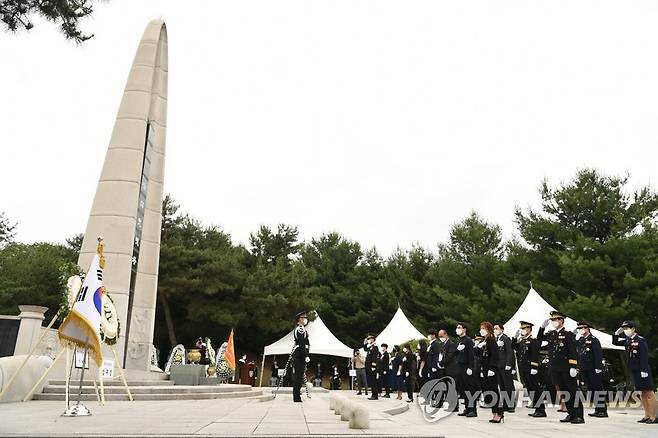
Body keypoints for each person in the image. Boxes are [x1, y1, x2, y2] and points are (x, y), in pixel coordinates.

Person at [538, 310, 584, 424]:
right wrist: (541, 328)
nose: (553, 322)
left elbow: (572, 351)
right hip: (555, 368)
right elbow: (539, 340)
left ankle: (579, 415)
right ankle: (571, 413)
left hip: (566, 368)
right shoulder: (551, 334)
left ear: (561, 321)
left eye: (555, 320)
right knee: (564, 392)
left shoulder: (568, 335)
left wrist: (573, 366)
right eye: (552, 320)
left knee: (572, 391)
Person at [613, 320, 657, 424]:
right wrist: (615, 334)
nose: (625, 330)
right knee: (642, 393)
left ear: (633, 329)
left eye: (627, 328)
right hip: (635, 370)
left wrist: (644, 370)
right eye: (624, 329)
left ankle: (655, 416)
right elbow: (615, 342)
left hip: (643, 370)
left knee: (649, 392)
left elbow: (644, 356)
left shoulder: (640, 340)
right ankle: (647, 415)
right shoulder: (628, 340)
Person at [512, 321, 546, 417]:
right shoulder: (522, 341)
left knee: (535, 388)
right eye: (522, 329)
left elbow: (535, 355)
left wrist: (534, 366)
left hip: (531, 368)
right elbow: (514, 347)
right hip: (524, 368)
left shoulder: (533, 341)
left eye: (524, 328)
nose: (522, 330)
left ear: (529, 329)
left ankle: (541, 409)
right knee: (530, 388)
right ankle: (536, 407)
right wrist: (514, 338)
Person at [575, 321, 607, 418]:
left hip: (593, 368)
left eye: (582, 328)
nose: (581, 330)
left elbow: (598, 354)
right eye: (579, 328)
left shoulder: (594, 340)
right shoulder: (580, 340)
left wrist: (598, 367)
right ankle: (597, 409)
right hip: (584, 368)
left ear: (587, 328)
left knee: (597, 389)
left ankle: (602, 410)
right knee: (591, 389)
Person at [478, 322, 504, 423]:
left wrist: (492, 368)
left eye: (484, 328)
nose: (481, 330)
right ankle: (494, 412)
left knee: (494, 391)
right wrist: (477, 347)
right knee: (487, 391)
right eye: (481, 328)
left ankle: (499, 413)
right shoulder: (483, 340)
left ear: (489, 329)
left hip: (490, 369)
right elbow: (480, 356)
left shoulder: (491, 340)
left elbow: (495, 356)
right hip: (484, 369)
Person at [455, 322, 477, 417]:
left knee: (470, 389)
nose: (457, 329)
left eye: (459, 327)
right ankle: (467, 408)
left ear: (464, 329)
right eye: (457, 327)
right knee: (464, 389)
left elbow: (472, 355)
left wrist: (471, 367)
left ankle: (473, 410)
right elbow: (455, 353)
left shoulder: (468, 340)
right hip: (460, 366)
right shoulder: (460, 340)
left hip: (467, 366)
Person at [494, 323, 516, 413]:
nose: (495, 330)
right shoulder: (495, 339)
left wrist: (509, 364)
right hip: (498, 366)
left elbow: (510, 352)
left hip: (505, 366)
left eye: (497, 328)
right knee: (502, 386)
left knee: (508, 386)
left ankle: (511, 405)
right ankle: (506, 404)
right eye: (494, 328)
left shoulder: (506, 339)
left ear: (502, 330)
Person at [292, 311, 310, 402]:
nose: (305, 319)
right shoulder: (300, 329)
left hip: (300, 354)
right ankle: (296, 397)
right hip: (300, 354)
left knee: (299, 376)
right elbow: (302, 343)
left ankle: (297, 396)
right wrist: (305, 355)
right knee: (298, 377)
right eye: (303, 317)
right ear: (299, 320)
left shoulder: (302, 328)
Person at [364, 334, 380, 400]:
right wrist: (365, 343)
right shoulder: (370, 347)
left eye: (370, 339)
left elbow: (374, 357)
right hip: (369, 366)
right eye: (368, 339)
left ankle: (375, 395)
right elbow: (365, 349)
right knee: (371, 381)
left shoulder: (375, 347)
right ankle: (373, 394)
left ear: (373, 340)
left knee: (374, 381)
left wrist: (373, 366)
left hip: (372, 366)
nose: (369, 340)